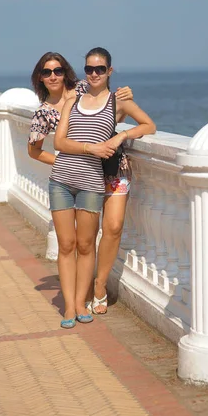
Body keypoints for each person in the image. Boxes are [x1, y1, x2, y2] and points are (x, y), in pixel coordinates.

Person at [27, 51, 134, 324]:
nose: (53, 76)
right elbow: (35, 151)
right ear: (40, 77)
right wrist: (65, 162)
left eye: (58, 71)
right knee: (68, 244)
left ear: (67, 73)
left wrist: (126, 94)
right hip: (66, 178)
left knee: (97, 237)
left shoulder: (83, 89)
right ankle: (71, 306)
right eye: (47, 72)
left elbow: (112, 98)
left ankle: (89, 295)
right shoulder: (43, 113)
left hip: (103, 173)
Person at [52, 47, 156, 328]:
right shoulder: (76, 95)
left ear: (110, 71)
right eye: (89, 68)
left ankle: (98, 286)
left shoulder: (118, 99)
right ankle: (77, 301)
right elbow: (60, 134)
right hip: (81, 174)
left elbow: (148, 124)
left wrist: (122, 135)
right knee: (75, 242)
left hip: (110, 171)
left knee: (111, 228)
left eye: (100, 69)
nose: (94, 73)